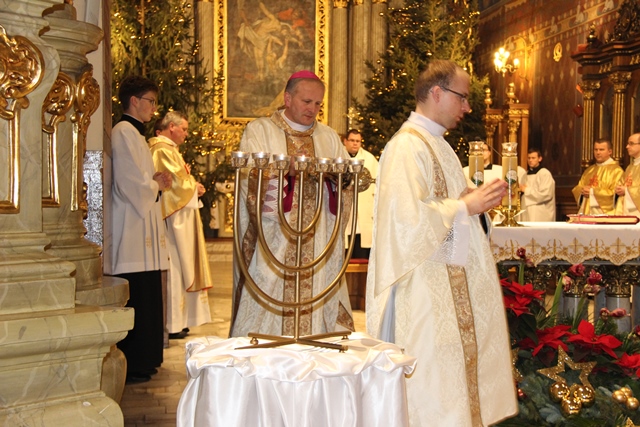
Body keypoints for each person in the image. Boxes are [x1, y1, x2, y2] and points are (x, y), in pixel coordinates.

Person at [366, 60, 517, 426]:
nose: (467, 107)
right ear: (436, 93)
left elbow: (448, 214)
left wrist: (472, 204)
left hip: (447, 281)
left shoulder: (441, 145)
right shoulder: (405, 147)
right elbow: (404, 222)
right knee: (431, 388)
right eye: (462, 97)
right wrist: (465, 206)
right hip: (422, 290)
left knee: (453, 385)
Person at [229, 70, 355, 337]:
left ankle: (315, 335)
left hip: (319, 235)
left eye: (318, 103)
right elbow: (249, 176)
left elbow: (348, 179)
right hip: (275, 236)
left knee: (318, 284)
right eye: (306, 101)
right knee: (269, 282)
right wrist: (284, 171)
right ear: (288, 98)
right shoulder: (261, 130)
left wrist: (339, 178)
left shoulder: (328, 136)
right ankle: (263, 337)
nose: (313, 109)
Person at [104, 75, 171, 384]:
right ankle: (136, 362)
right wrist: (154, 185)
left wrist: (154, 182)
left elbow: (140, 178)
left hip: (141, 222)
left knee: (147, 294)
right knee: (138, 295)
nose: (153, 108)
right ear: (134, 101)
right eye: (150, 101)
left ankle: (147, 359)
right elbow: (129, 182)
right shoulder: (123, 132)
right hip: (131, 227)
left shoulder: (135, 134)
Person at [149, 111, 213, 340]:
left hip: (181, 218)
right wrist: (193, 188)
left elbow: (180, 180)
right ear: (172, 127)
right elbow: (172, 185)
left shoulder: (171, 150)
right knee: (174, 268)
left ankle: (179, 321)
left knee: (180, 268)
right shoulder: (161, 149)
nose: (186, 133)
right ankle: (172, 322)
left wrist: (194, 187)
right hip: (172, 221)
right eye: (184, 129)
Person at [342, 128, 378, 259]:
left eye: (358, 141)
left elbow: (377, 182)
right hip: (344, 205)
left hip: (363, 208)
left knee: (361, 247)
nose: (355, 143)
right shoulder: (338, 156)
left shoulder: (369, 159)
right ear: (345, 141)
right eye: (352, 140)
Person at [571, 139, 623, 214]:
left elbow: (615, 194)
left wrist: (592, 192)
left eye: (601, 150)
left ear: (610, 151)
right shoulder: (589, 170)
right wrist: (583, 191)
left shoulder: (616, 171)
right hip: (586, 212)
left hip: (605, 214)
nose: (598, 152)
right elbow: (579, 187)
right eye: (596, 149)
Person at [519, 148, 556, 221]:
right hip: (526, 211)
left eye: (533, 158)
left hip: (540, 212)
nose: (530, 160)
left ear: (540, 159)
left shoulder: (544, 173)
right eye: (529, 158)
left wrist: (526, 190)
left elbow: (546, 194)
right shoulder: (524, 175)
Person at [615, 133, 640, 217]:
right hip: (627, 210)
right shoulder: (630, 167)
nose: (627, 147)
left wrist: (626, 190)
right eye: (628, 143)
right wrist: (618, 188)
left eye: (631, 144)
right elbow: (621, 183)